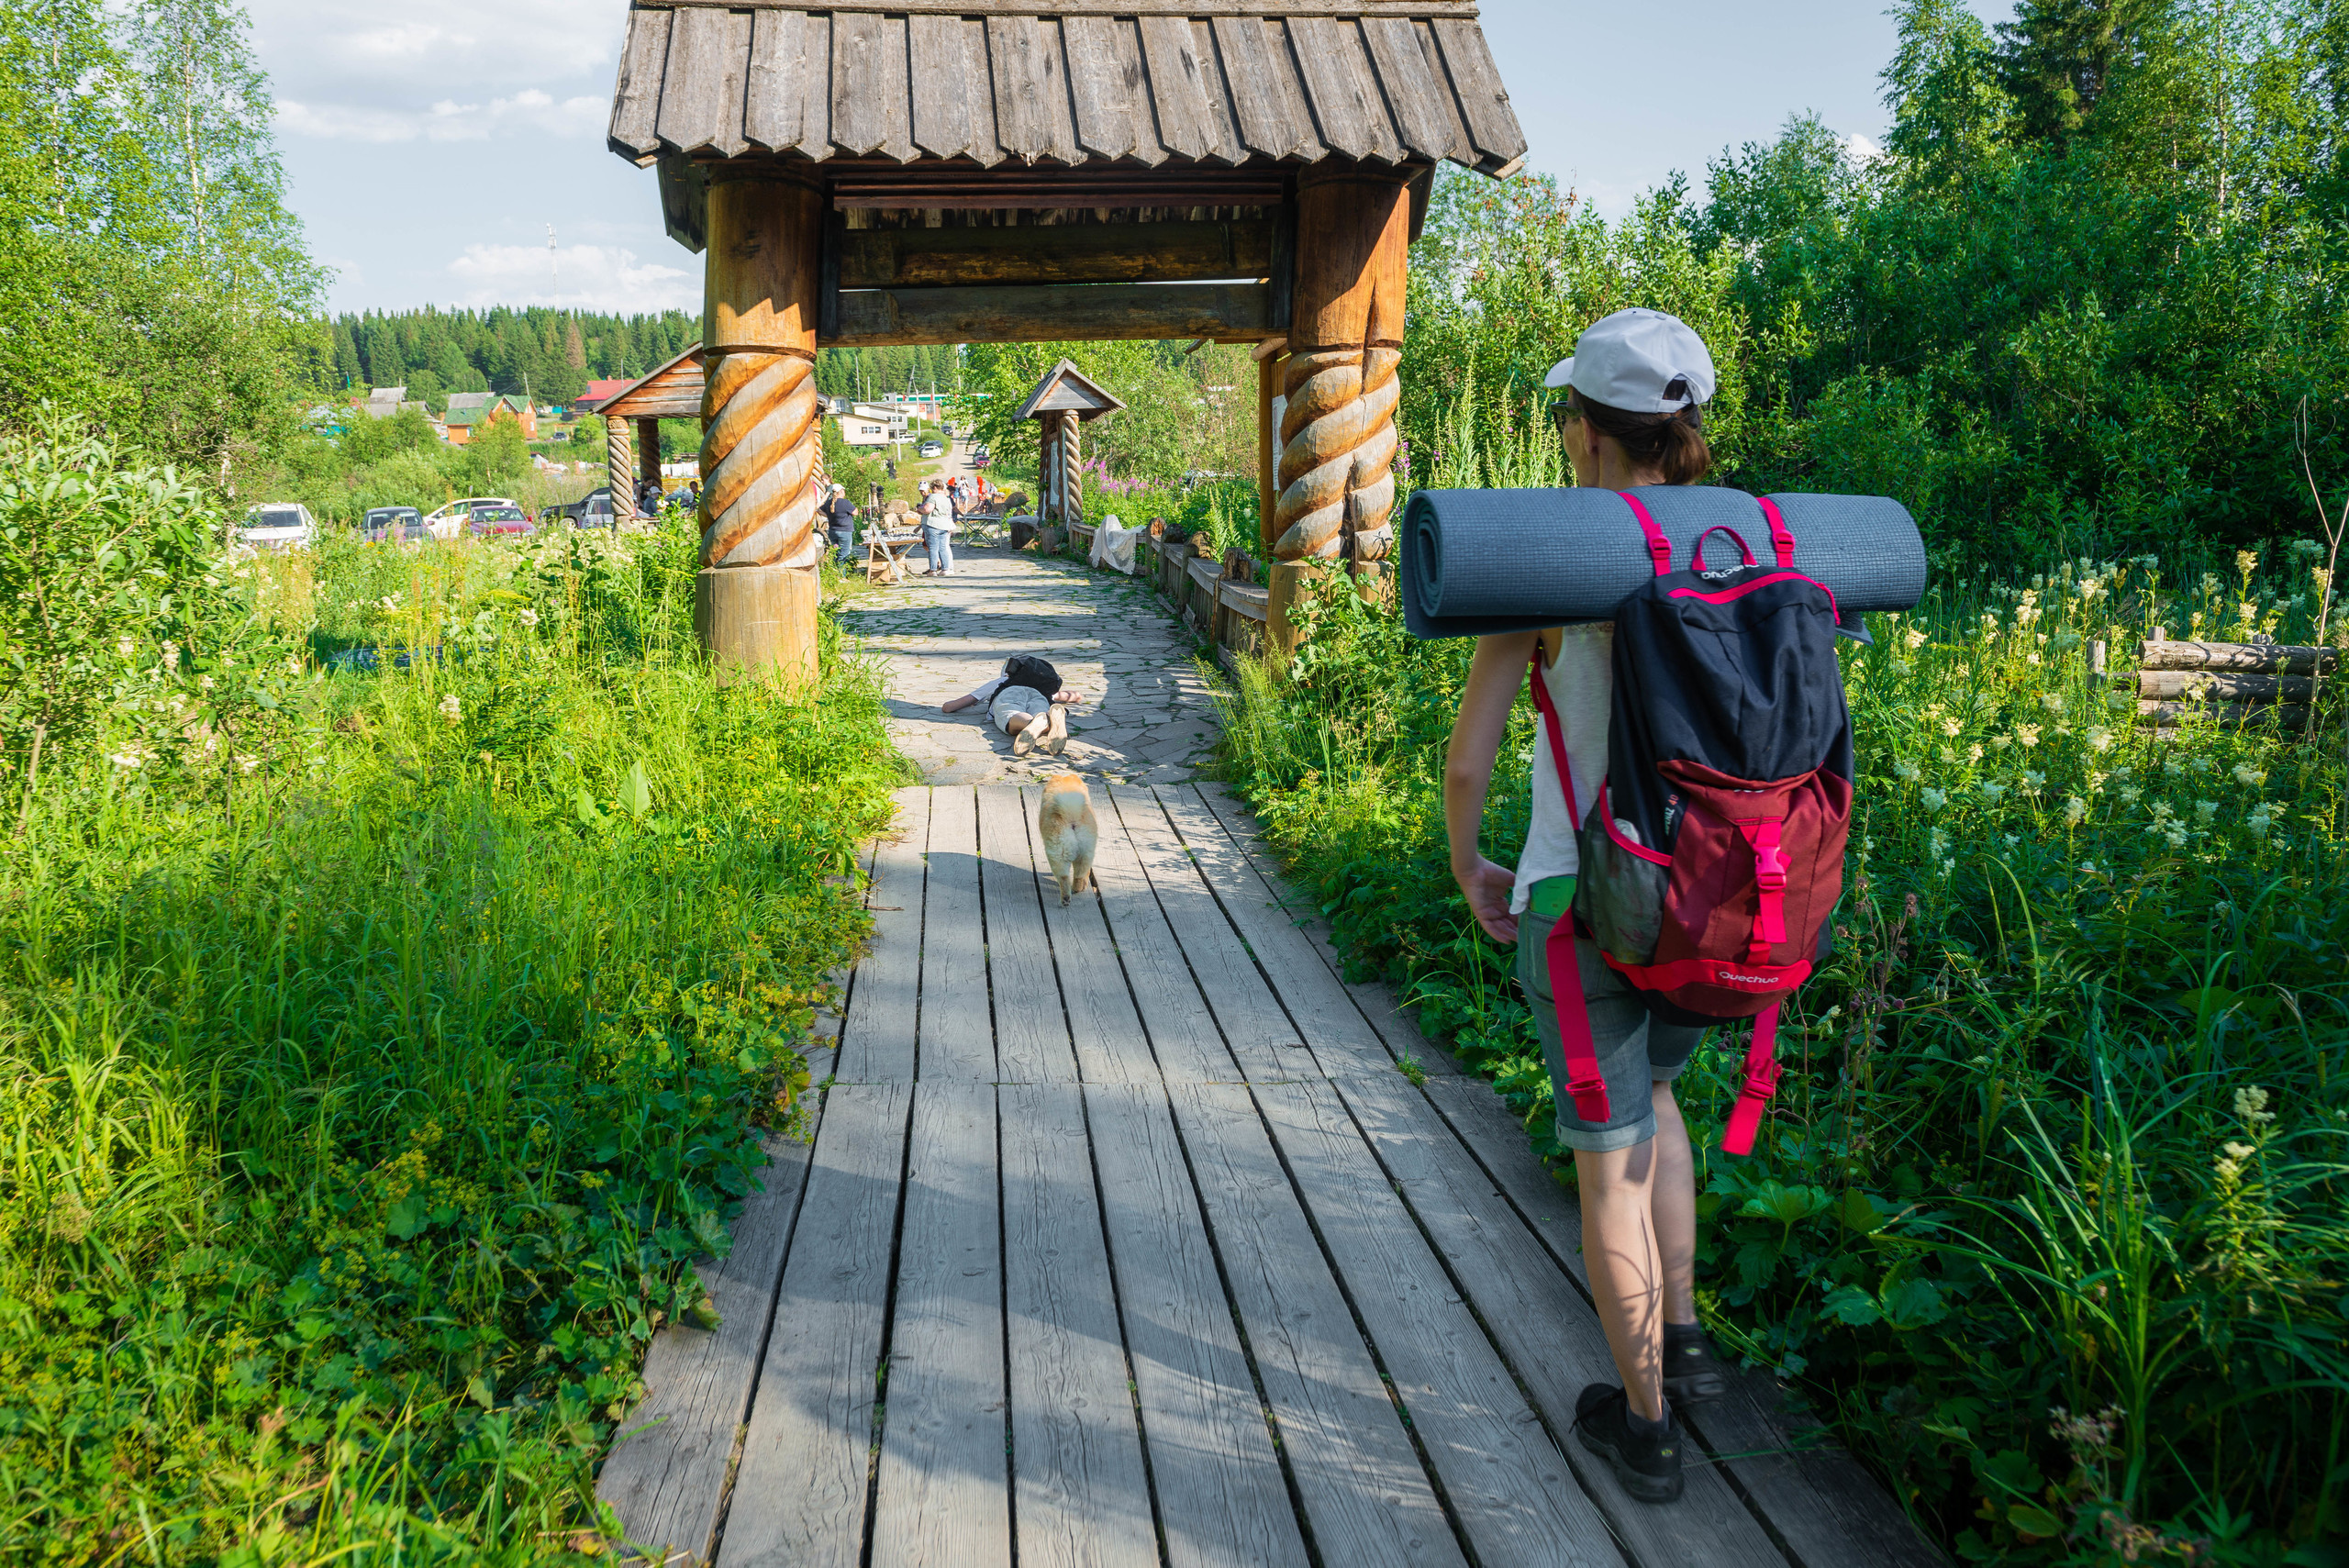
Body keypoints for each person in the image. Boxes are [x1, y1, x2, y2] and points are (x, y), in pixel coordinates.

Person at [1441, 308, 1729, 1507]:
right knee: (1657, 1104)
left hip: (1586, 899)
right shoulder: (1744, 539)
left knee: (1606, 1163)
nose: (1562, 434)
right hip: (1710, 896)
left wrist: (1470, 863)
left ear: (1593, 434)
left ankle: (1648, 1425)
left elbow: (1472, 755)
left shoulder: (1550, 557)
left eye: (1568, 413)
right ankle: (1689, 1338)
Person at [941, 655, 1076, 756]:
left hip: (1010, 693)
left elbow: (950, 707)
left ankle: (1031, 723)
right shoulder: (1040, 688)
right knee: (1040, 710)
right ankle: (1049, 719)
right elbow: (1073, 695)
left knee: (1012, 713)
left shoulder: (1003, 681)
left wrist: (948, 705)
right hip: (1038, 695)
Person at [920, 478, 958, 576]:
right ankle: (945, 569)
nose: (932, 491)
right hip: (944, 526)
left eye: (932, 489)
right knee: (943, 548)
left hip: (933, 525)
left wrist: (920, 509)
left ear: (935, 488)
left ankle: (933, 570)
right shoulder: (946, 498)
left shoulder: (933, 497)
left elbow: (928, 509)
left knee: (933, 548)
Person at [825, 483, 858, 565]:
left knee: (835, 553)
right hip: (845, 532)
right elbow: (855, 512)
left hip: (832, 531)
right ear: (841, 492)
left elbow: (818, 510)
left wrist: (828, 514)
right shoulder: (845, 502)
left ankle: (834, 572)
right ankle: (841, 574)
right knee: (844, 554)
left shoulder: (829, 503)